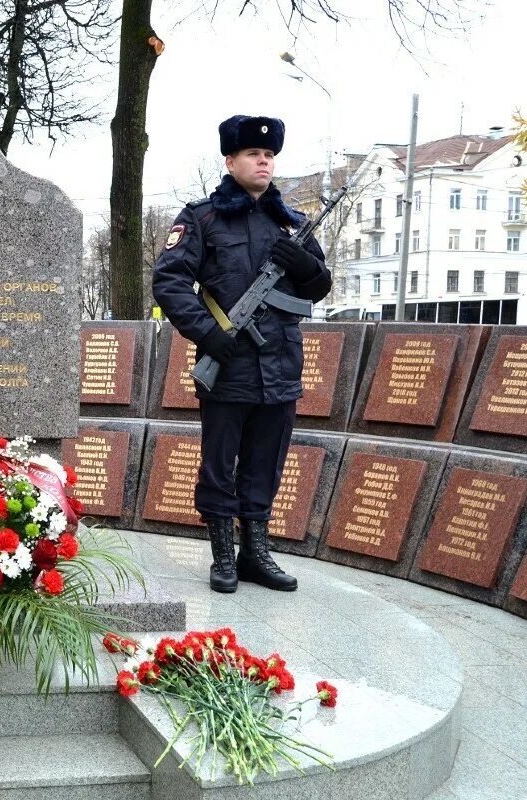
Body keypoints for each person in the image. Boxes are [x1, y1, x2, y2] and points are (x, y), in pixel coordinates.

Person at [151, 115, 331, 594]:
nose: (264, 160)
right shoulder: (202, 218)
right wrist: (209, 335)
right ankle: (224, 556)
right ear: (230, 161)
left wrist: (307, 265)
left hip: (281, 365)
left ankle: (256, 552)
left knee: (266, 463)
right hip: (229, 364)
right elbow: (169, 281)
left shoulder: (289, 223)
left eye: (269, 155)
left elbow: (319, 286)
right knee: (220, 463)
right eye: (253, 153)